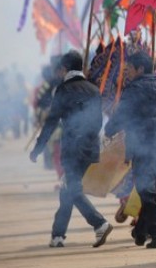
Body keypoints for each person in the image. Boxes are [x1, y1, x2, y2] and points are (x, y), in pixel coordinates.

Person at [29, 50, 113, 248]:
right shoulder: (93, 89)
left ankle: (99, 223)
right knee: (68, 189)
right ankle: (58, 235)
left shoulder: (63, 90)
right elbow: (98, 122)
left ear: (64, 69)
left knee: (71, 189)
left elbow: (51, 122)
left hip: (72, 148)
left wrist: (38, 148)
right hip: (90, 148)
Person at [105, 50, 156, 249]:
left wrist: (109, 129)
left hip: (143, 147)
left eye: (129, 68)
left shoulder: (133, 89)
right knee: (151, 190)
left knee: (145, 189)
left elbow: (121, 115)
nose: (127, 72)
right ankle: (140, 231)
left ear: (139, 69)